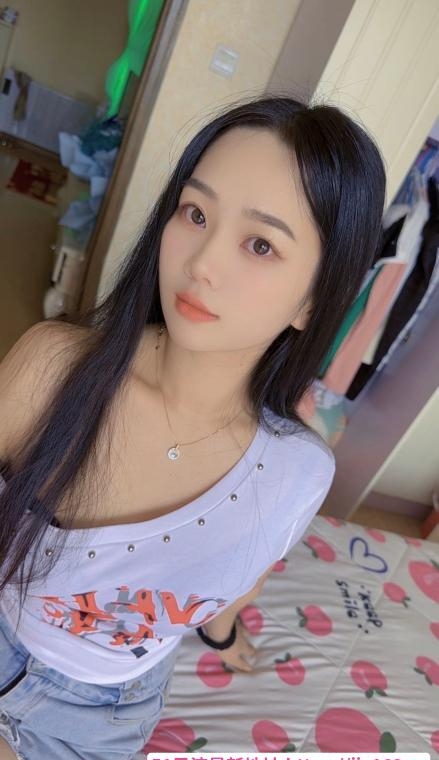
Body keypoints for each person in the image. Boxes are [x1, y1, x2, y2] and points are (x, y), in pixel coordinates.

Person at [0, 93, 386, 759]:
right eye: (196, 213)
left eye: (260, 244)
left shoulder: (297, 471)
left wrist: (221, 632)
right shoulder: (54, 368)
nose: (201, 262)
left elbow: (240, 572)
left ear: (314, 300)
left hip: (106, 714)